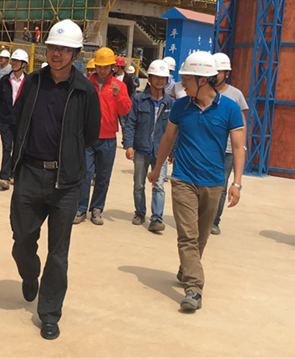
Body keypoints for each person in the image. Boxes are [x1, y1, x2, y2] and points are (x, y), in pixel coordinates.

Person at [10, 19, 100, 340]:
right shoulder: (33, 82)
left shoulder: (85, 91)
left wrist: (68, 159)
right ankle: (29, 273)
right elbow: (18, 120)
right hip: (30, 174)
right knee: (22, 240)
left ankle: (49, 313)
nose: (56, 54)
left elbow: (90, 134)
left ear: (76, 55)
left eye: (64, 49)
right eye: (52, 48)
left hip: (66, 182)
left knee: (58, 253)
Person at [148, 51, 244, 311]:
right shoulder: (181, 106)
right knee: (187, 236)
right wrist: (157, 169)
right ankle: (194, 288)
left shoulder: (230, 108)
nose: (182, 83)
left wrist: (236, 183)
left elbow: (238, 147)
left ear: (203, 80)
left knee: (201, 236)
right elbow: (168, 138)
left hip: (213, 182)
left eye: (187, 79)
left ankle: (187, 267)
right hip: (183, 179)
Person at [74, 47, 131, 225]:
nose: (102, 70)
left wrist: (117, 96)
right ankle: (81, 208)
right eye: (99, 66)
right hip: (88, 138)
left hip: (108, 139)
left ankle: (97, 209)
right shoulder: (86, 85)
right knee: (85, 174)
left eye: (106, 67)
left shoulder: (119, 86)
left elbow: (125, 110)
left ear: (112, 67)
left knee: (103, 177)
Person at [123, 60, 175, 232]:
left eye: (163, 78)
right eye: (156, 77)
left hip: (161, 151)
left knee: (159, 186)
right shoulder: (138, 99)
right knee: (139, 184)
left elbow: (175, 130)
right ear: (150, 78)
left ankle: (157, 219)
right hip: (141, 149)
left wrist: (173, 151)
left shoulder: (170, 103)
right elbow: (130, 123)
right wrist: (129, 145)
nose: (160, 81)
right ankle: (139, 213)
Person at [211, 52, 248, 235]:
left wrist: (241, 145)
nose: (215, 75)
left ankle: (214, 221)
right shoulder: (204, 92)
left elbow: (242, 123)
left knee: (221, 186)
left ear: (226, 73)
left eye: (219, 71)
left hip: (227, 150)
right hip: (208, 147)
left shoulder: (236, 95)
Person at [0, 49, 28, 190]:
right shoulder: (4, 80)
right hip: (6, 121)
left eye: (17, 61)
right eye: (13, 60)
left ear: (24, 64)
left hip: (20, 122)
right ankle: (4, 176)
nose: (13, 63)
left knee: (18, 148)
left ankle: (15, 174)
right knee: (6, 148)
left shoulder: (29, 82)